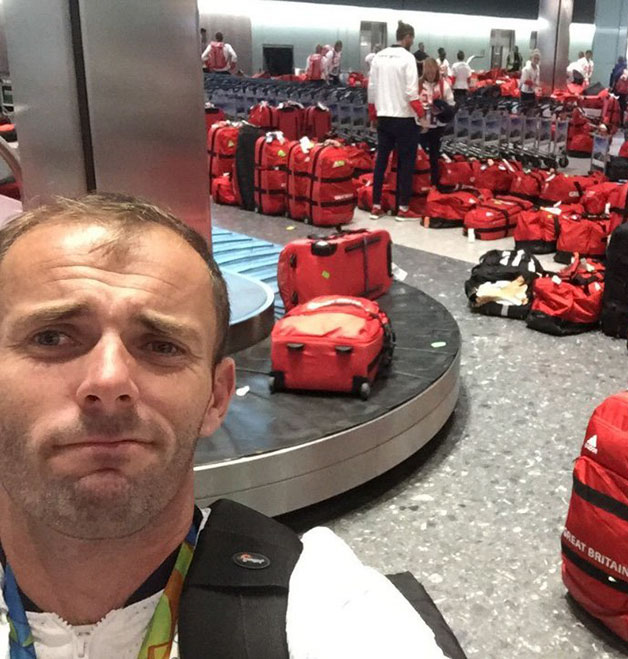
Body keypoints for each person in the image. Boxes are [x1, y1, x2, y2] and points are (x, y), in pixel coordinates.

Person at [0, 194, 449, 657]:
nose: (110, 379)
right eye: (51, 337)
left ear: (217, 396)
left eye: (161, 346)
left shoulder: (339, 619)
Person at [368, 21, 425, 222]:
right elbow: (412, 93)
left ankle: (376, 205)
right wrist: (423, 116)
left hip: (383, 117)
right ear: (408, 37)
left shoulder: (378, 57)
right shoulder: (408, 58)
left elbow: (371, 90)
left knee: (381, 162)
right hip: (404, 119)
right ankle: (402, 207)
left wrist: (373, 115)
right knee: (405, 163)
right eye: (412, 38)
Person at [418, 58, 455, 188]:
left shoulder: (443, 84)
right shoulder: (418, 84)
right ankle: (419, 181)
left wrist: (441, 107)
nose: (430, 76)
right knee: (420, 155)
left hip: (437, 125)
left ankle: (434, 183)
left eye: (432, 73)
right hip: (421, 125)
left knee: (434, 155)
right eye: (428, 73)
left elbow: (451, 103)